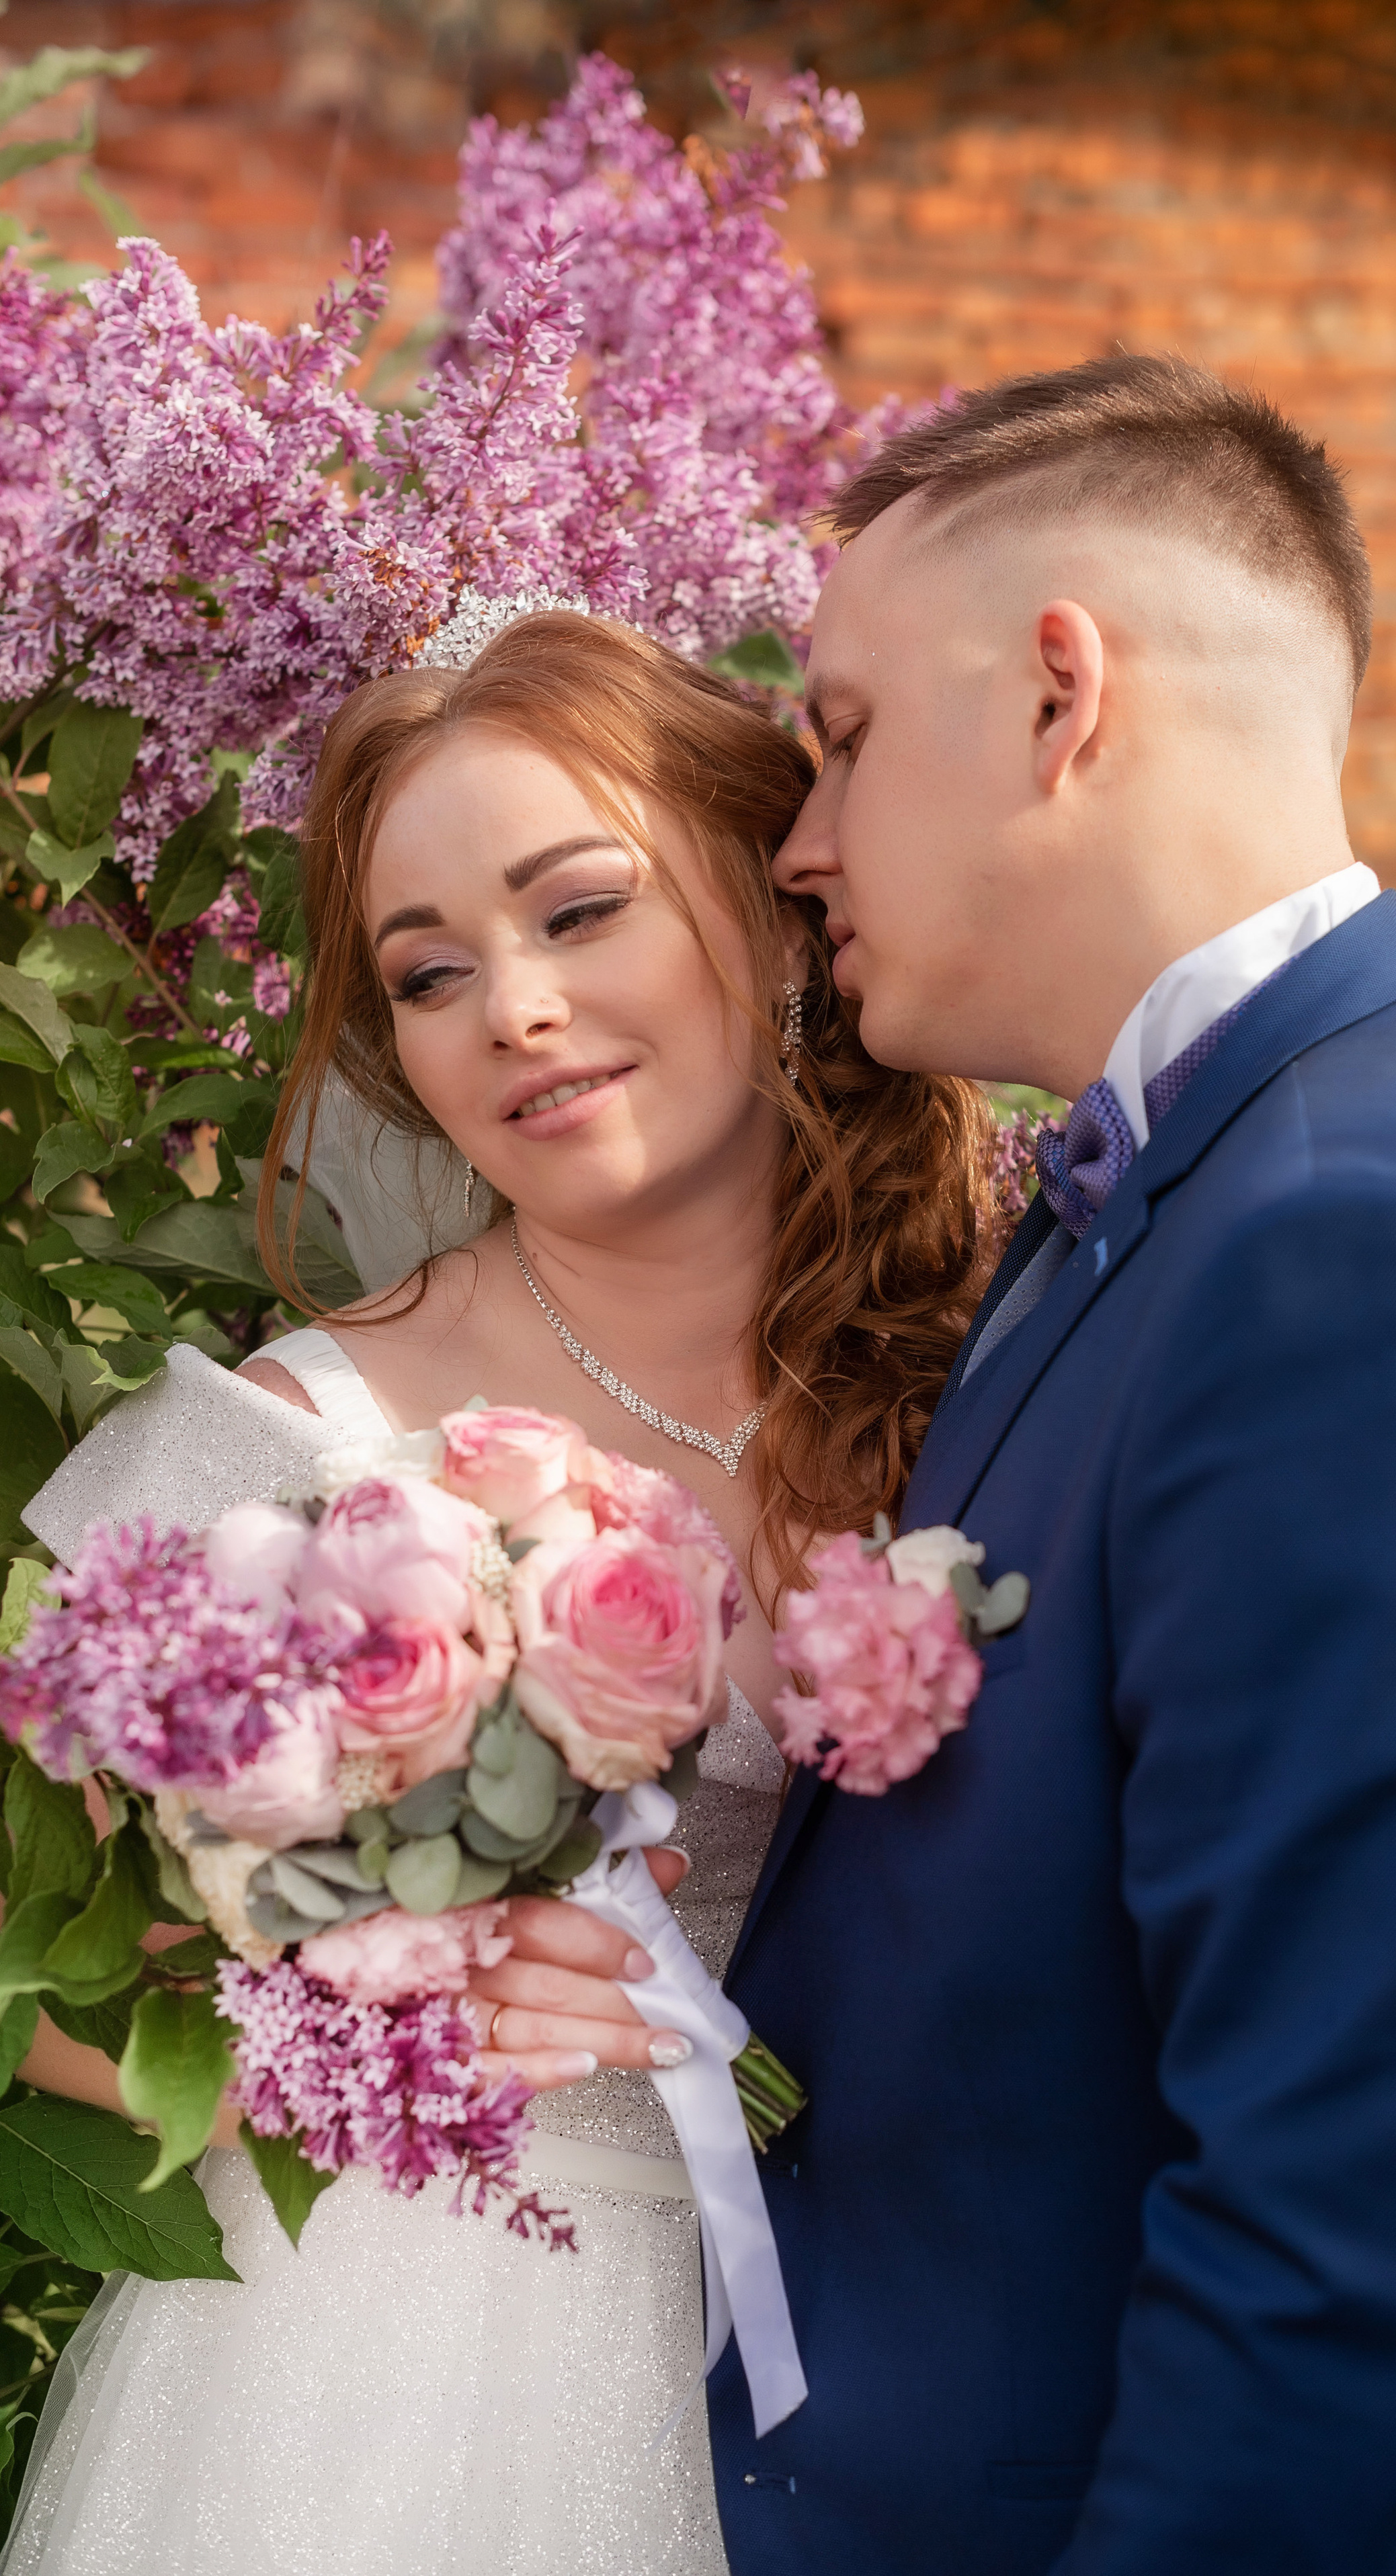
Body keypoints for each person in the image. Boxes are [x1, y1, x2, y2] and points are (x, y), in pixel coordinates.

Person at [710, 354, 1396, 2575]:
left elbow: (1365, 2252)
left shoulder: (1384, 1252)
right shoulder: (1218, 1177)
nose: (799, 845)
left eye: (849, 735)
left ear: (1062, 695)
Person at [0, 610, 997, 2576]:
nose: (514, 1009)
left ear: (789, 913)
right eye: (432, 971)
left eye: (583, 910)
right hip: (416, 2351)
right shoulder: (309, 1451)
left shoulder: (992, 1369)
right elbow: (34, 1960)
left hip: (917, 2315)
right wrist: (401, 2026)